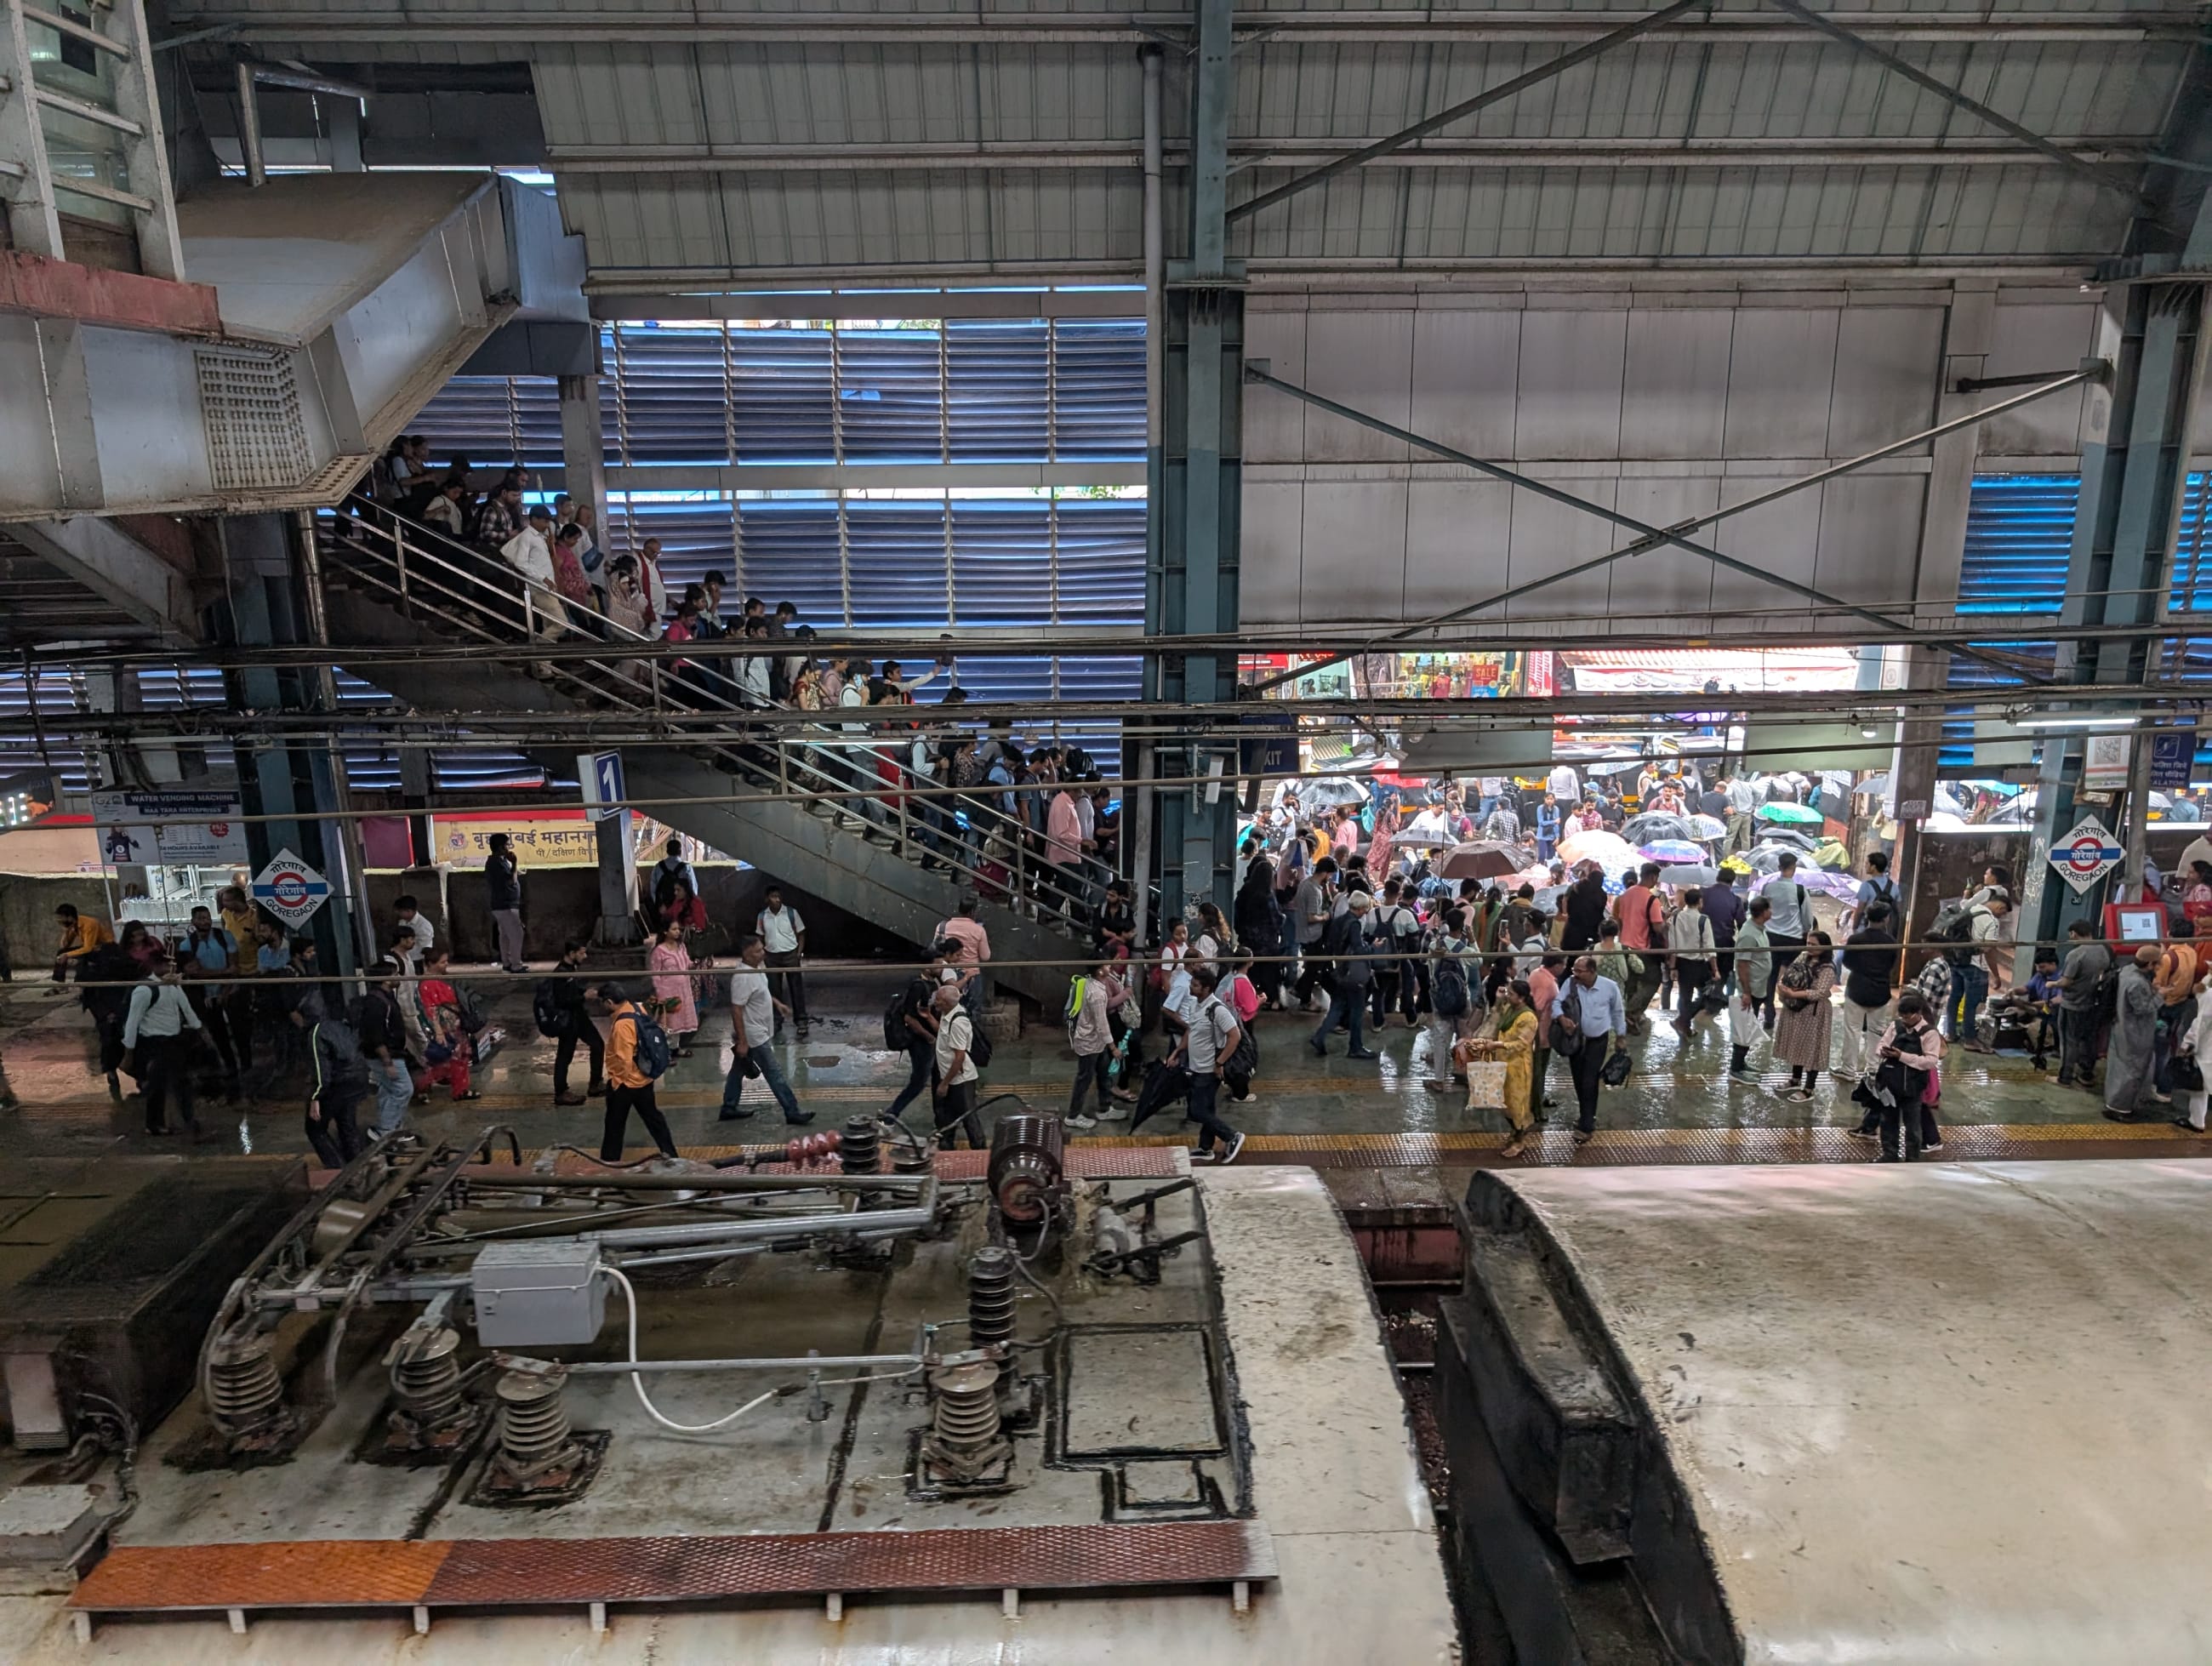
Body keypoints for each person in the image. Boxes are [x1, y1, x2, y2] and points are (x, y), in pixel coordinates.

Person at [721, 934, 811, 1126]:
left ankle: (728, 1107)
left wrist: (777, 1004)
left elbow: (761, 991)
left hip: (758, 1030)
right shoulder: (742, 977)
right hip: (753, 1034)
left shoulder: (757, 969)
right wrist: (743, 1041)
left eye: (762, 949)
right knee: (774, 1072)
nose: (763, 953)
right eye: (758, 951)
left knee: (738, 1070)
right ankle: (792, 1111)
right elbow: (736, 1009)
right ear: (747, 954)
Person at [123, 952, 204, 1138]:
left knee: (169, 1083)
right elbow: (132, 1022)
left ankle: (168, 1123)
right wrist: (129, 1052)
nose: (170, 969)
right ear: (154, 966)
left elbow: (186, 1009)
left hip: (174, 1041)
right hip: (155, 1043)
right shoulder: (144, 990)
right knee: (167, 1084)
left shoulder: (172, 987)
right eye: (166, 965)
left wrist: (199, 1029)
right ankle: (174, 1123)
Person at [598, 981, 680, 1162]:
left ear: (609, 1002)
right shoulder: (638, 1009)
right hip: (645, 1078)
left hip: (626, 1084)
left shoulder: (622, 1025)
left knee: (614, 1125)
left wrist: (617, 1083)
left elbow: (623, 1059)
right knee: (654, 1120)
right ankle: (672, 1155)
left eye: (602, 1002)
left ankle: (609, 1163)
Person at [1172, 967, 1246, 1165]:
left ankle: (1232, 1136)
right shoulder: (1196, 1004)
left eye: (1195, 985)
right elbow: (1191, 1030)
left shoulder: (1218, 1010)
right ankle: (1206, 1149)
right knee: (1208, 1110)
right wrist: (1178, 1051)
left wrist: (1220, 1062)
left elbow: (1234, 1036)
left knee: (1197, 1110)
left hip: (1208, 1070)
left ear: (1207, 988)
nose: (1191, 987)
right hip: (1196, 1067)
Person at [1551, 954, 1626, 1146]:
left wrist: (1620, 1036)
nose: (1574, 973)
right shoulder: (1571, 983)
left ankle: (1586, 1125)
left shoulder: (1610, 987)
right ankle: (1587, 1114)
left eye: (1579, 971)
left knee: (1589, 1080)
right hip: (1576, 1041)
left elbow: (1618, 1012)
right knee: (1578, 1080)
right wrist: (1561, 1018)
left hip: (1597, 1041)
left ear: (1592, 972)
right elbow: (1557, 1002)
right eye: (1574, 969)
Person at [1866, 990, 1945, 1163]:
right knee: (1888, 1122)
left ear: (1917, 1014)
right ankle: (1889, 1154)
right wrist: (1883, 1051)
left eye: (1907, 1017)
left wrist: (1902, 1056)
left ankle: (1912, 1158)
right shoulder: (1895, 1026)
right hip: (1890, 1084)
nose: (1904, 1021)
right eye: (1901, 1017)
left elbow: (1930, 1061)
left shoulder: (1929, 1033)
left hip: (1914, 1086)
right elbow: (1881, 1045)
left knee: (1913, 1125)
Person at [1466, 979, 1540, 1160]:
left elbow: (1522, 1044)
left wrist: (1497, 1045)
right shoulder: (1509, 1009)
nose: (1508, 996)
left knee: (1517, 1104)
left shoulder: (1527, 1017)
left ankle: (1519, 1140)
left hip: (1518, 1066)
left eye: (1511, 994)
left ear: (1521, 998)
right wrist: (1499, 1001)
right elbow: (1495, 1019)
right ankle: (1515, 1132)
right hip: (1503, 1062)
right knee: (1505, 1102)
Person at [296, 990, 368, 1168]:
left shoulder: (316, 1033)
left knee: (315, 1130)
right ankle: (358, 1168)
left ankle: (337, 1170)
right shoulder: (340, 1026)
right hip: (357, 1081)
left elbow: (322, 1071)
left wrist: (316, 1097)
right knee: (347, 1126)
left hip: (337, 1085)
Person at [177, 904, 243, 1091]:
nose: (204, 921)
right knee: (217, 1034)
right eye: (200, 918)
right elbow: (194, 972)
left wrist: (225, 988)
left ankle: (240, 1068)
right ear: (193, 921)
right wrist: (224, 973)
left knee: (239, 1032)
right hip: (206, 997)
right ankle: (225, 1070)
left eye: (207, 918)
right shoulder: (187, 945)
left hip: (229, 992)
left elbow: (235, 967)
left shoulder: (225, 937)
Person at [885, 945, 950, 1125]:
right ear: (927, 967)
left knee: (939, 1077)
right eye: (938, 964)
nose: (942, 968)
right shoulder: (918, 986)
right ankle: (892, 1113)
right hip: (921, 1042)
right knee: (919, 1082)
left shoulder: (934, 982)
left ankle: (942, 1117)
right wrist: (928, 1037)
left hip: (932, 1038)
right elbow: (909, 1017)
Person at [1310, 892, 1378, 1061]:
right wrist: (1373, 947)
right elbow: (1358, 949)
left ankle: (1320, 1036)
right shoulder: (1354, 924)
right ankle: (1355, 1047)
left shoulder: (1339, 921)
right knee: (1356, 1010)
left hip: (1340, 970)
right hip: (1353, 973)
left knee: (1337, 1006)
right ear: (1361, 907)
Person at [1772, 932, 1839, 1103]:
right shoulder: (1803, 956)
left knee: (1812, 1049)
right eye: (1808, 943)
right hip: (1796, 1011)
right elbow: (1789, 974)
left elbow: (1821, 992)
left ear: (1824, 946)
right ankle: (1795, 1080)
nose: (1809, 948)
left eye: (1814, 945)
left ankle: (1809, 1088)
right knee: (1797, 1044)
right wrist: (1782, 986)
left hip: (1814, 1013)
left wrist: (1794, 994)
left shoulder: (1828, 967)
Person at [1838, 902, 1900, 1081]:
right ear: (1886, 918)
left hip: (1857, 988)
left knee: (1852, 1030)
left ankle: (1848, 1070)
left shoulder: (1856, 940)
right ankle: (1873, 1069)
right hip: (1880, 991)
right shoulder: (1891, 942)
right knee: (1877, 1031)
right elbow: (1890, 966)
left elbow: (1847, 962)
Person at [356, 954, 415, 1138]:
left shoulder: (385, 998)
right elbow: (376, 1035)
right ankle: (386, 1130)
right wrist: (387, 1062)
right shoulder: (376, 1003)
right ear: (386, 979)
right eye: (395, 974)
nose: (398, 977)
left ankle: (392, 1126)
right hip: (386, 1055)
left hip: (391, 1053)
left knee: (389, 1090)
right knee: (404, 1089)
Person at [2104, 944, 2165, 1121]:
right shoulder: (2137, 982)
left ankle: (2112, 1102)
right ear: (2150, 964)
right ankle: (2121, 1109)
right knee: (2133, 1070)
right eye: (2157, 964)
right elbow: (2142, 1008)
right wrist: (2160, 995)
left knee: (2117, 1068)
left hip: (2120, 1027)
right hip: (2135, 1033)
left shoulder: (2125, 971)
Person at [2052, 918, 2112, 1092]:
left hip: (2072, 1004)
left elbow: (2066, 981)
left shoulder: (2076, 954)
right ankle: (2087, 1075)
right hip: (2093, 1003)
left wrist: (2052, 985)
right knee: (2088, 1040)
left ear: (2074, 933)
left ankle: (2064, 1077)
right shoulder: (2105, 949)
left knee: (2068, 1041)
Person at [1068, 957, 1128, 1130]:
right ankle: (1073, 1115)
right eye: (1107, 965)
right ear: (1100, 971)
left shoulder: (1091, 983)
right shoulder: (1097, 994)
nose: (1110, 967)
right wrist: (1113, 1048)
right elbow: (1102, 1025)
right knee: (1084, 1079)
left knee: (1104, 1074)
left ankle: (1105, 1107)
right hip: (1090, 1042)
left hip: (1097, 1042)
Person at [413, 949, 480, 1103]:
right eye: (442, 962)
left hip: (454, 1027)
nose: (446, 964)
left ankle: (459, 1089)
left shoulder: (436, 980)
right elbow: (431, 1009)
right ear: (431, 964)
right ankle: (424, 1086)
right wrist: (439, 1031)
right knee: (449, 1062)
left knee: (459, 1059)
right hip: (446, 1029)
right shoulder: (427, 984)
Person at [543, 937, 604, 1104]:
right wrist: (583, 996)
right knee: (565, 1055)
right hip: (568, 1020)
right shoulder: (561, 973)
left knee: (598, 1044)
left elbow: (573, 991)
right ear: (572, 954)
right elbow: (561, 1000)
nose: (585, 956)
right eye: (582, 953)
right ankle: (561, 1092)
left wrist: (584, 992)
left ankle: (596, 1083)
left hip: (578, 1015)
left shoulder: (571, 968)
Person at [1948, 893, 2011, 1053]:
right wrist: (1995, 975)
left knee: (1954, 997)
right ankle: (1970, 1039)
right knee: (1972, 1003)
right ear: (2000, 907)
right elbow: (1989, 950)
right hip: (1975, 966)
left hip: (1957, 961)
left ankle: (1951, 1033)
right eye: (2002, 913)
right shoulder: (1991, 921)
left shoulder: (1971, 909)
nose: (2001, 916)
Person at [931, 983, 985, 1150]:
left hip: (960, 1080)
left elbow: (959, 1056)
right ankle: (946, 1146)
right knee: (946, 1116)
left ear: (946, 1003)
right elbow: (944, 1035)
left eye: (938, 1000)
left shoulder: (958, 1022)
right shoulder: (948, 1014)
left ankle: (979, 1151)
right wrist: (928, 1017)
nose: (935, 1002)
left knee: (969, 1117)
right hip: (948, 1076)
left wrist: (945, 1083)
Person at [1613, 863, 1667, 1030]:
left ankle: (1629, 1019)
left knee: (1630, 984)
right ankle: (1632, 1012)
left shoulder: (1625, 895)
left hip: (1624, 946)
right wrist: (1667, 922)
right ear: (1652, 877)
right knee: (1653, 980)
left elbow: (1620, 921)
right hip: (1642, 948)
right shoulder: (1652, 899)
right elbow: (1658, 927)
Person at [755, 885, 810, 1041]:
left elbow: (801, 933)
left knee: (796, 988)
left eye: (779, 896)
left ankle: (801, 1020)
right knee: (774, 990)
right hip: (772, 956)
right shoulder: (762, 917)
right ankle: (777, 1021)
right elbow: (760, 936)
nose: (777, 900)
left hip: (791, 954)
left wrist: (798, 954)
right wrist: (764, 954)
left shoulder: (791, 913)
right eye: (773, 897)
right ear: (767, 899)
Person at [1729, 895, 1773, 1081]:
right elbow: (1742, 965)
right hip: (1750, 990)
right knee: (1744, 1029)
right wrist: (1746, 992)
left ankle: (1741, 1063)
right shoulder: (1748, 934)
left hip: (1758, 987)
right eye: (1770, 909)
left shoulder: (1759, 929)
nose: (1772, 912)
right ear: (1763, 912)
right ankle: (1735, 1070)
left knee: (1748, 1027)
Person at [1665, 887, 1717, 1034]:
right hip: (1699, 964)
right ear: (1700, 902)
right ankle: (1683, 1022)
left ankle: (1683, 1024)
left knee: (1684, 996)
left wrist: (1673, 967)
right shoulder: (1703, 920)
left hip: (1682, 963)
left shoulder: (1675, 917)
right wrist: (1715, 970)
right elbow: (1709, 948)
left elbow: (1673, 946)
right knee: (1708, 995)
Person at [647, 920, 699, 1056]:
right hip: (668, 992)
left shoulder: (681, 946)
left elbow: (686, 962)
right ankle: (664, 1053)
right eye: (674, 929)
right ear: (665, 931)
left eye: (678, 929)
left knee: (679, 1021)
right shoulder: (659, 951)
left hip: (684, 990)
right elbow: (655, 974)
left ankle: (675, 1048)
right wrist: (660, 994)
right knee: (668, 1022)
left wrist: (694, 964)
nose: (678, 932)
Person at [1291, 857, 1337, 1008]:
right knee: (1314, 967)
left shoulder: (1305, 883)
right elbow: (1311, 917)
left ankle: (1301, 992)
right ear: (1325, 873)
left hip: (1303, 932)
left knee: (1312, 965)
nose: (1329, 878)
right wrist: (1326, 916)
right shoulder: (1314, 891)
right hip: (1312, 934)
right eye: (1330, 875)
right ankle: (1303, 996)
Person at [484, 832, 527, 973]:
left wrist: (515, 869)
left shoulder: (499, 861)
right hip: (506, 905)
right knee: (516, 934)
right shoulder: (496, 863)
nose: (509, 848)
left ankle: (507, 963)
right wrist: (514, 863)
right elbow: (510, 880)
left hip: (501, 904)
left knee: (505, 936)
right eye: (507, 845)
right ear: (501, 847)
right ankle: (516, 966)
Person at [51, 903, 112, 981]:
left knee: (81, 957)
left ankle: (79, 984)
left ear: (69, 917)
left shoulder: (90, 924)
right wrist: (66, 932)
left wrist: (67, 955)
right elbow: (64, 947)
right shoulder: (74, 924)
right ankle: (59, 983)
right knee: (61, 952)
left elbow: (87, 949)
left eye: (61, 918)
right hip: (92, 948)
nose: (59, 921)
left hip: (104, 949)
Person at [1561, 862, 1608, 954]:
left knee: (1569, 957)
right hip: (1593, 930)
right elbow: (1600, 911)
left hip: (1573, 928)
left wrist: (1566, 913)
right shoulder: (1602, 895)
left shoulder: (1576, 888)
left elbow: (1567, 901)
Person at [1851, 851, 1902, 933]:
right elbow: (1899, 911)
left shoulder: (1866, 886)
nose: (1865, 866)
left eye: (1867, 864)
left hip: (1868, 929)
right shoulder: (1894, 886)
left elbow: (1859, 911)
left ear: (1873, 867)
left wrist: (1854, 928)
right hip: (1886, 931)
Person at [648, 838, 698, 915]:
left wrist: (660, 905)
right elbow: (693, 889)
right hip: (681, 909)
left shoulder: (658, 867)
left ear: (667, 851)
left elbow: (653, 890)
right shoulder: (686, 868)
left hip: (664, 909)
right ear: (680, 852)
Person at [392, 894, 435, 973]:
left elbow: (425, 947)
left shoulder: (424, 925)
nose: (398, 913)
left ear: (409, 911)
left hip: (416, 960)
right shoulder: (402, 922)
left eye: (400, 911)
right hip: (403, 957)